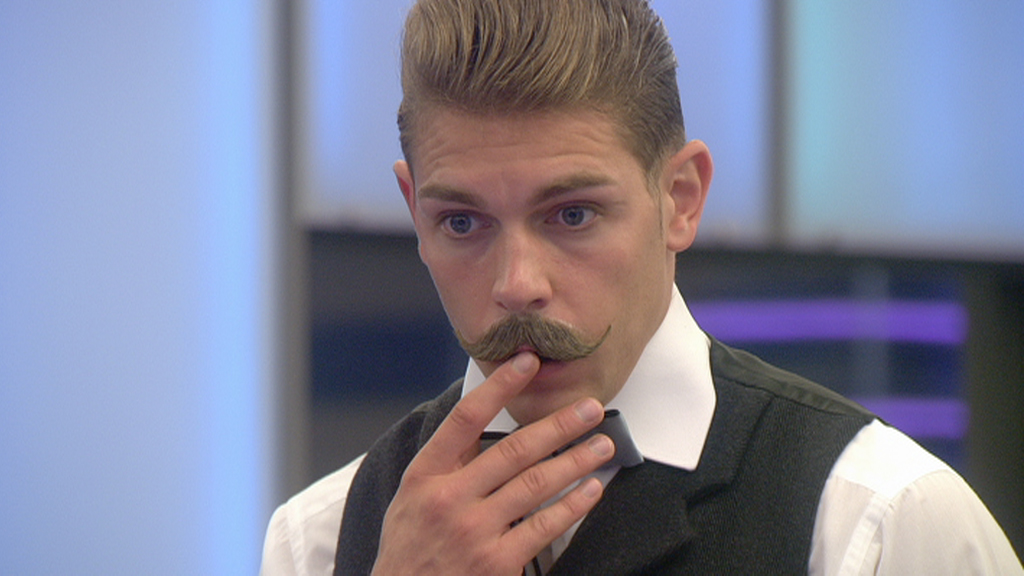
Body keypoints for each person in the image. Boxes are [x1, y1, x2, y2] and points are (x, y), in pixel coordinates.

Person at [261, 0, 1023, 573]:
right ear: (414, 214)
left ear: (680, 199)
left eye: (572, 214)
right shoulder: (319, 540)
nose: (518, 286)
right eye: (462, 222)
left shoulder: (877, 524)